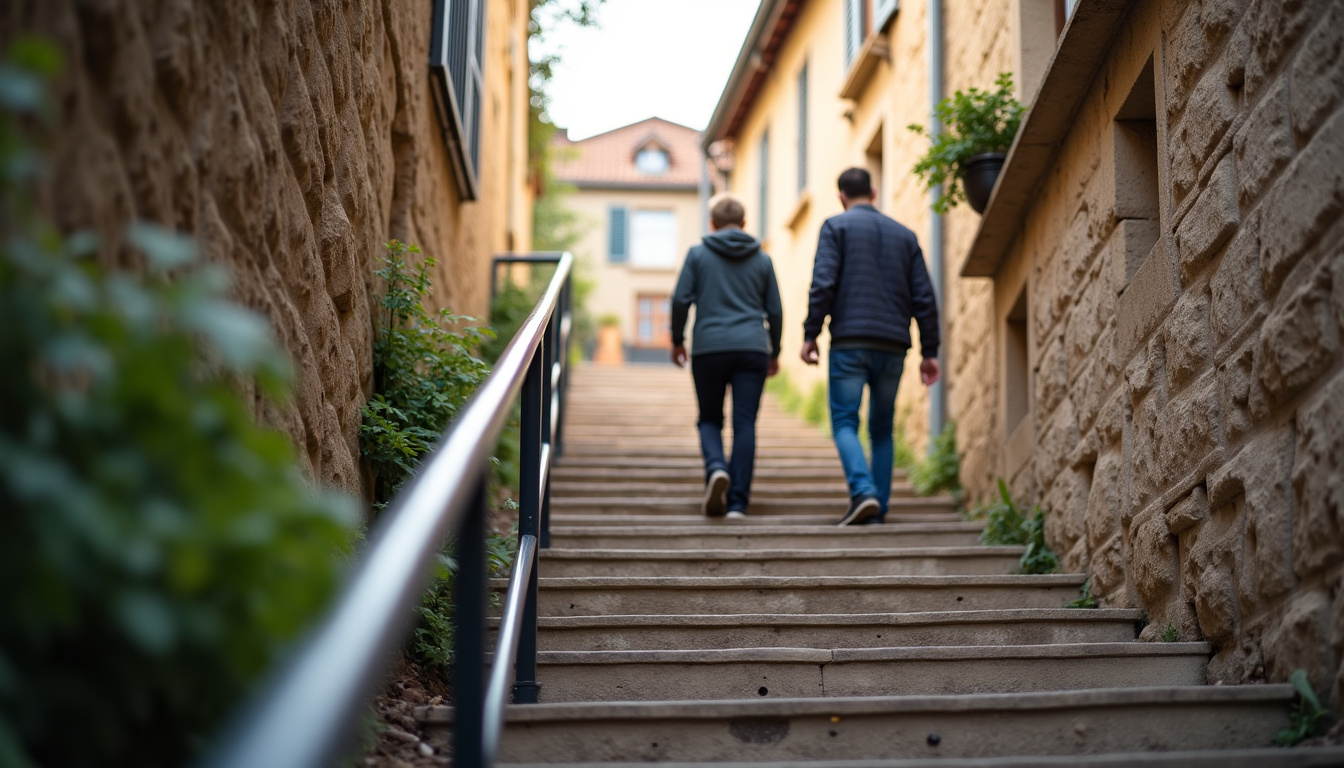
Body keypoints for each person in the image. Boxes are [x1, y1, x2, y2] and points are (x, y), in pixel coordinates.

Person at [801, 168, 941, 526]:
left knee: (845, 420)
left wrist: (811, 333)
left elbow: (823, 283)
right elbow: (924, 298)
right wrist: (930, 351)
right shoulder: (906, 236)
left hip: (850, 341)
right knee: (882, 428)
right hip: (894, 345)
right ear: (873, 192)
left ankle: (863, 492)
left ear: (841, 196)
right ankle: (878, 507)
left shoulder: (836, 227)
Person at [671, 193, 783, 518]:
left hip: (709, 347)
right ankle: (737, 503)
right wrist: (775, 350)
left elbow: (680, 300)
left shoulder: (697, 253)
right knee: (745, 423)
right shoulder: (762, 259)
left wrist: (678, 340)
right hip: (752, 347)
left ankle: (717, 467)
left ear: (713, 223)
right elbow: (775, 310)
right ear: (745, 223)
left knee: (709, 418)